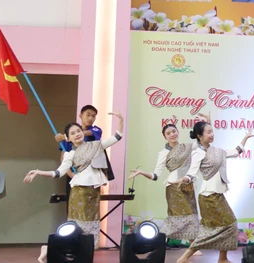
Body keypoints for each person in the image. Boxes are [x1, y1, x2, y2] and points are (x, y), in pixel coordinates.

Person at [24, 112, 124, 263]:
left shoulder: (95, 145)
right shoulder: (70, 154)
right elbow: (58, 173)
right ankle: (50, 247)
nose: (77, 134)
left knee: (90, 232)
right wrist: (38, 172)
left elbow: (117, 136)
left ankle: (50, 248)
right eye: (72, 133)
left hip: (93, 192)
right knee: (78, 229)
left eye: (78, 131)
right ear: (68, 138)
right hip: (79, 193)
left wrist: (121, 119)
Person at [127, 115, 212, 254]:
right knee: (178, 218)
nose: (172, 134)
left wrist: (208, 122)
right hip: (174, 188)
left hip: (188, 186)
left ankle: (190, 246)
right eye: (168, 133)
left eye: (174, 131)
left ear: (178, 132)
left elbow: (204, 141)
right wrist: (142, 172)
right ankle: (153, 241)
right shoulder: (163, 153)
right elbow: (155, 175)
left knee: (192, 216)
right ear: (164, 137)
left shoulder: (188, 146)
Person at [174, 121, 254, 263]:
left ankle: (222, 258)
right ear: (200, 136)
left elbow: (235, 152)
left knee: (227, 225)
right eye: (209, 132)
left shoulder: (217, 151)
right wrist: (184, 179)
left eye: (212, 131)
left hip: (216, 195)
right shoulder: (198, 153)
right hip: (208, 196)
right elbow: (191, 173)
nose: (212, 135)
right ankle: (184, 258)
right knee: (218, 227)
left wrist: (246, 138)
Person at [54, 105, 115, 208]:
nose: (91, 118)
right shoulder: (69, 136)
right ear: (80, 115)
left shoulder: (96, 130)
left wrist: (65, 137)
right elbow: (63, 159)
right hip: (74, 175)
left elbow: (85, 133)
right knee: (73, 206)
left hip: (91, 176)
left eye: (94, 116)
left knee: (90, 207)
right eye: (88, 115)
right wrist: (73, 176)